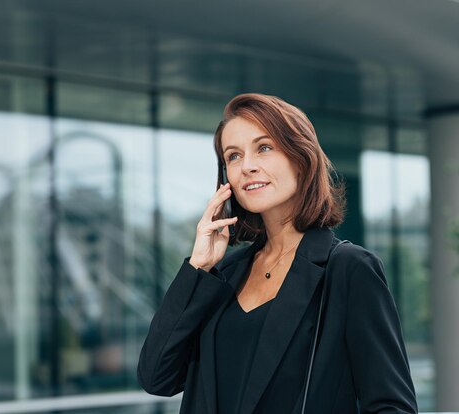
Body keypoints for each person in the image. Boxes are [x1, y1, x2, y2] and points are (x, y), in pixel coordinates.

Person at [137, 93, 418, 413]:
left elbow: (392, 406)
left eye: (264, 148)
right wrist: (198, 267)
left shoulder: (349, 269)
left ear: (300, 159)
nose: (247, 167)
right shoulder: (224, 275)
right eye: (233, 156)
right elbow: (156, 377)